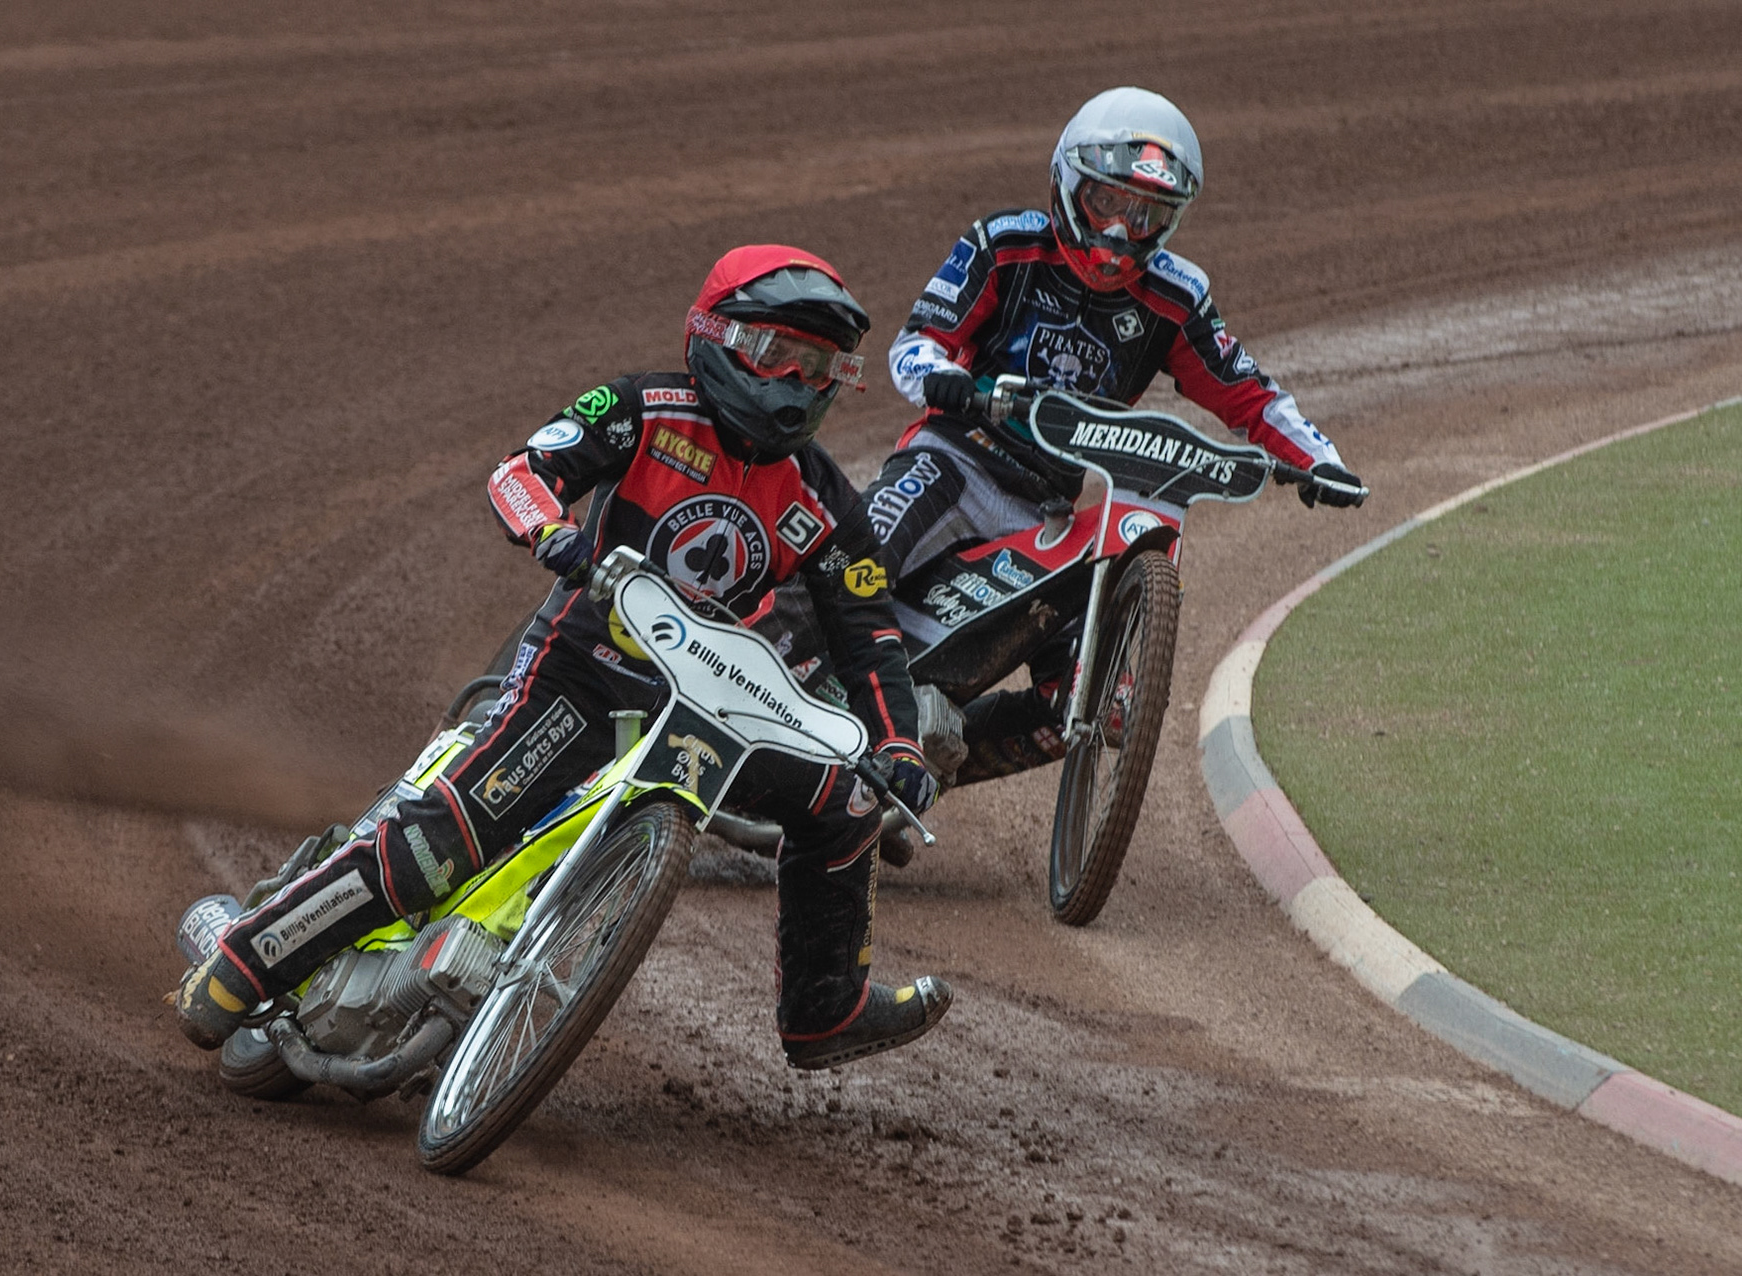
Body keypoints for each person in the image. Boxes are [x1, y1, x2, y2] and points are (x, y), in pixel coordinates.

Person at [173, 245, 948, 1071]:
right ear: (716, 338)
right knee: (441, 843)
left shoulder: (826, 499)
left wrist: (897, 746)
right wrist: (555, 535)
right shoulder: (645, 408)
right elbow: (522, 471)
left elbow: (870, 631)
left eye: (820, 367)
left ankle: (824, 1011)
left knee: (849, 803)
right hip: (582, 674)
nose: (796, 384)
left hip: (714, 712)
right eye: (776, 356)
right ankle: (243, 961)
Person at [872, 86, 1366, 784]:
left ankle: (924, 765)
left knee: (1094, 705)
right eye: (1109, 203)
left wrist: (1321, 460)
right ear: (1071, 185)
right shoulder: (1004, 243)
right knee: (849, 563)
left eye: (1147, 215)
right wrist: (946, 380)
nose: (1120, 232)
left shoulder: (1176, 295)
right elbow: (914, 344)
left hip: (1047, 508)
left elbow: (1248, 391)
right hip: (955, 457)